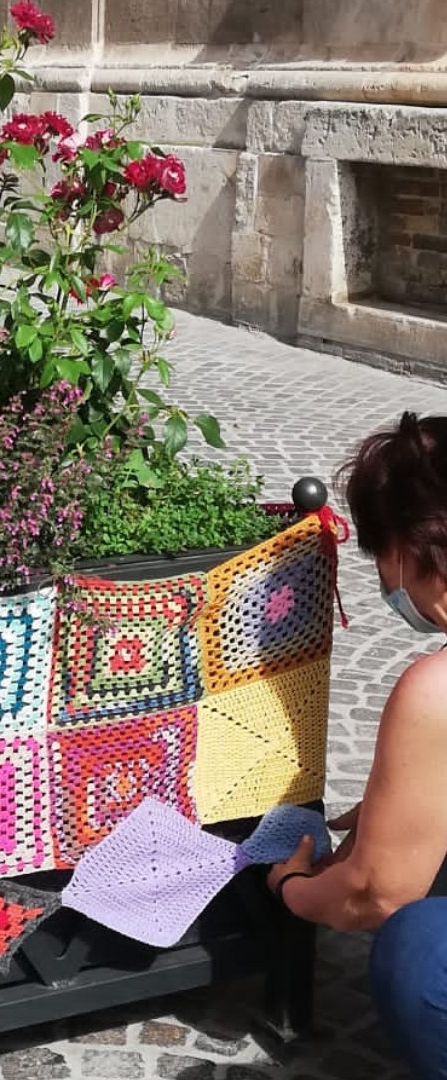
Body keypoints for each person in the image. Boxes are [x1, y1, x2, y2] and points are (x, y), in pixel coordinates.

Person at [267, 411, 447, 1079]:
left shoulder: (437, 690)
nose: (385, 582)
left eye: (380, 556)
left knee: (418, 948)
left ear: (408, 546)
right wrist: (397, 808)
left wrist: (292, 889)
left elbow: (374, 895)